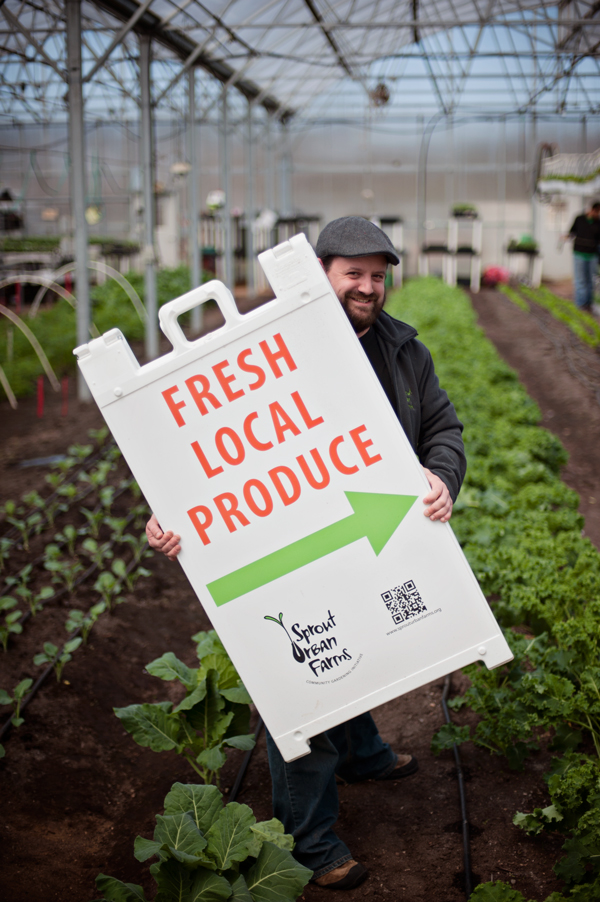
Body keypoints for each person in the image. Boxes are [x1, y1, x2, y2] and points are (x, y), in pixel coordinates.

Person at [146, 216, 466, 891]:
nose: (368, 287)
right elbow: (197, 447)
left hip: (366, 531)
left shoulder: (403, 349)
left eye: (377, 275)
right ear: (320, 272)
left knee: (357, 636)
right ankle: (312, 844)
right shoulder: (260, 351)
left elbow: (441, 425)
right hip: (287, 545)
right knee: (306, 680)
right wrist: (169, 513)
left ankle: (363, 752)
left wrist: (442, 475)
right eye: (353, 273)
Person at [565, 201, 600, 312]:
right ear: (592, 210)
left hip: (592, 255)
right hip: (579, 254)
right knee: (580, 280)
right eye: (597, 212)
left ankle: (589, 304)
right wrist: (566, 237)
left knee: (591, 280)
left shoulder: (598, 222)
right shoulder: (579, 219)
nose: (598, 214)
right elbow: (572, 232)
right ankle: (580, 305)